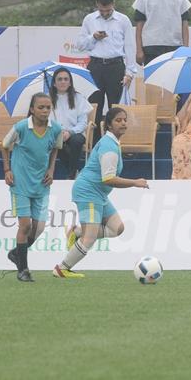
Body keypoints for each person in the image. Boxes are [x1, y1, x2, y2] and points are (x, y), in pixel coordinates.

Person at [53, 107, 149, 278]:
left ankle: (76, 232)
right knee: (89, 239)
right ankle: (62, 269)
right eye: (118, 120)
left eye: (125, 120)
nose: (123, 123)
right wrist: (135, 182)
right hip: (88, 191)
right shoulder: (109, 147)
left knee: (117, 228)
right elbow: (109, 179)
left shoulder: (112, 143)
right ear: (109, 125)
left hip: (98, 194)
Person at [2, 93, 63, 282]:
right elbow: (4, 145)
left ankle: (16, 254)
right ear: (32, 109)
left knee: (39, 229)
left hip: (42, 184)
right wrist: (7, 170)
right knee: (26, 225)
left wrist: (51, 170)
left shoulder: (56, 129)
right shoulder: (21, 127)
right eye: (41, 107)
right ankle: (23, 270)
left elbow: (55, 149)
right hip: (19, 183)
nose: (45, 111)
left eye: (48, 107)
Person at [77, 0, 137, 135]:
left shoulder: (123, 20)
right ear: (97, 5)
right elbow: (80, 45)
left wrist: (130, 72)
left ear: (113, 4)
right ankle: (96, 142)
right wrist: (93, 37)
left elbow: (130, 47)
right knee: (94, 107)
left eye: (108, 10)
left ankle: (116, 142)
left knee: (116, 107)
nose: (104, 13)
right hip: (95, 66)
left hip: (116, 66)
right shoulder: (89, 19)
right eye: (101, 10)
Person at [133, 0, 191, 65]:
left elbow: (185, 25)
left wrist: (185, 49)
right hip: (151, 47)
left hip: (175, 47)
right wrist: (139, 50)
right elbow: (139, 27)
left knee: (172, 79)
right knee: (152, 80)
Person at [49, 67, 93, 179]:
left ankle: (72, 173)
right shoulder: (47, 99)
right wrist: (59, 131)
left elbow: (83, 123)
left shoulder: (78, 98)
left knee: (76, 141)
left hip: (75, 133)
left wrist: (70, 132)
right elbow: (46, 121)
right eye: (59, 79)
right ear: (54, 83)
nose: (63, 81)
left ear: (70, 82)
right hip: (55, 133)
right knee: (57, 142)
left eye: (65, 79)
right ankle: (74, 172)